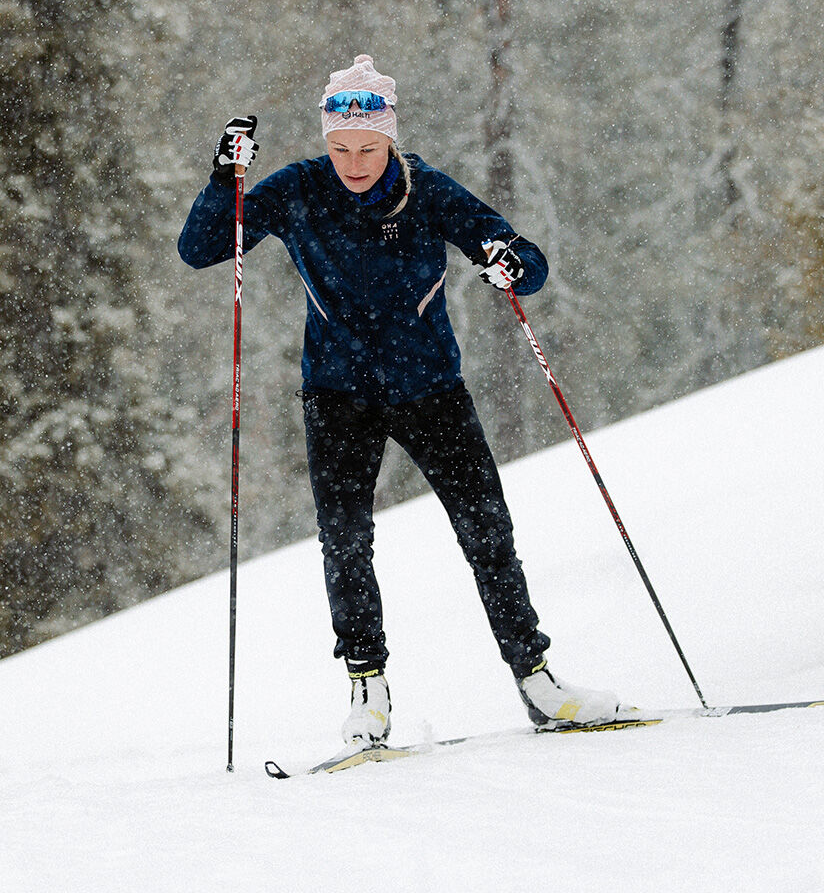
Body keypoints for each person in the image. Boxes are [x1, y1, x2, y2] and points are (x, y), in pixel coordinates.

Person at [178, 54, 620, 746]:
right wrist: (223, 180)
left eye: (369, 147)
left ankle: (537, 680)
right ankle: (368, 691)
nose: (355, 161)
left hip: (430, 388)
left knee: (488, 532)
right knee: (346, 544)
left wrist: (510, 263)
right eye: (341, 147)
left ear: (389, 140)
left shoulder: (424, 189)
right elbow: (203, 247)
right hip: (337, 396)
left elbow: (521, 257)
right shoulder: (298, 189)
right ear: (327, 142)